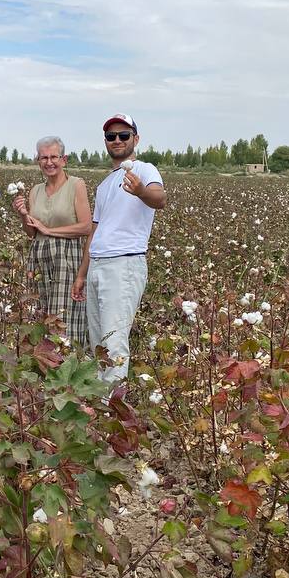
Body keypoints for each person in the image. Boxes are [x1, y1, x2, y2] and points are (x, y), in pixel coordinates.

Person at [71, 113, 165, 385]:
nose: (117, 140)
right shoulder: (104, 185)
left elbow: (160, 199)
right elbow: (95, 231)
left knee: (114, 342)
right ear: (105, 141)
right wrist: (81, 275)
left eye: (124, 135)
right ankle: (101, 400)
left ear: (136, 139)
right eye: (111, 136)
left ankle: (113, 404)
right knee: (99, 343)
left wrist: (140, 192)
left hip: (123, 264)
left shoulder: (145, 170)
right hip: (98, 265)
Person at [14, 137, 91, 344]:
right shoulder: (35, 191)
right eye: (44, 158)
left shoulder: (76, 185)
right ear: (38, 161)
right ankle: (40, 360)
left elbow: (86, 226)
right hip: (39, 256)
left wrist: (49, 230)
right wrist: (23, 214)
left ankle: (67, 360)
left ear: (64, 159)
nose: (49, 162)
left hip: (66, 257)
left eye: (54, 157)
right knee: (38, 313)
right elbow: (32, 233)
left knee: (64, 316)